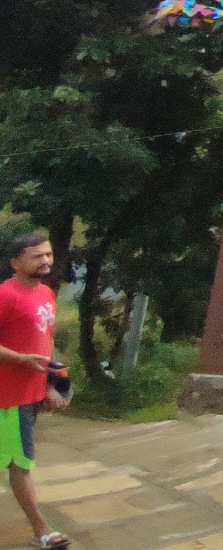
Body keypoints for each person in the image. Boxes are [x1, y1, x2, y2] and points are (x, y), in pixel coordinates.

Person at [0, 234, 70, 549]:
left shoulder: (46, 294)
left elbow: (47, 340)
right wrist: (20, 359)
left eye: (48, 254)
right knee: (21, 464)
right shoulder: (5, 295)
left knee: (14, 460)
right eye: (35, 256)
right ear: (15, 262)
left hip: (30, 395)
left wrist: (53, 383)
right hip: (8, 397)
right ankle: (42, 532)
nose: (44, 260)